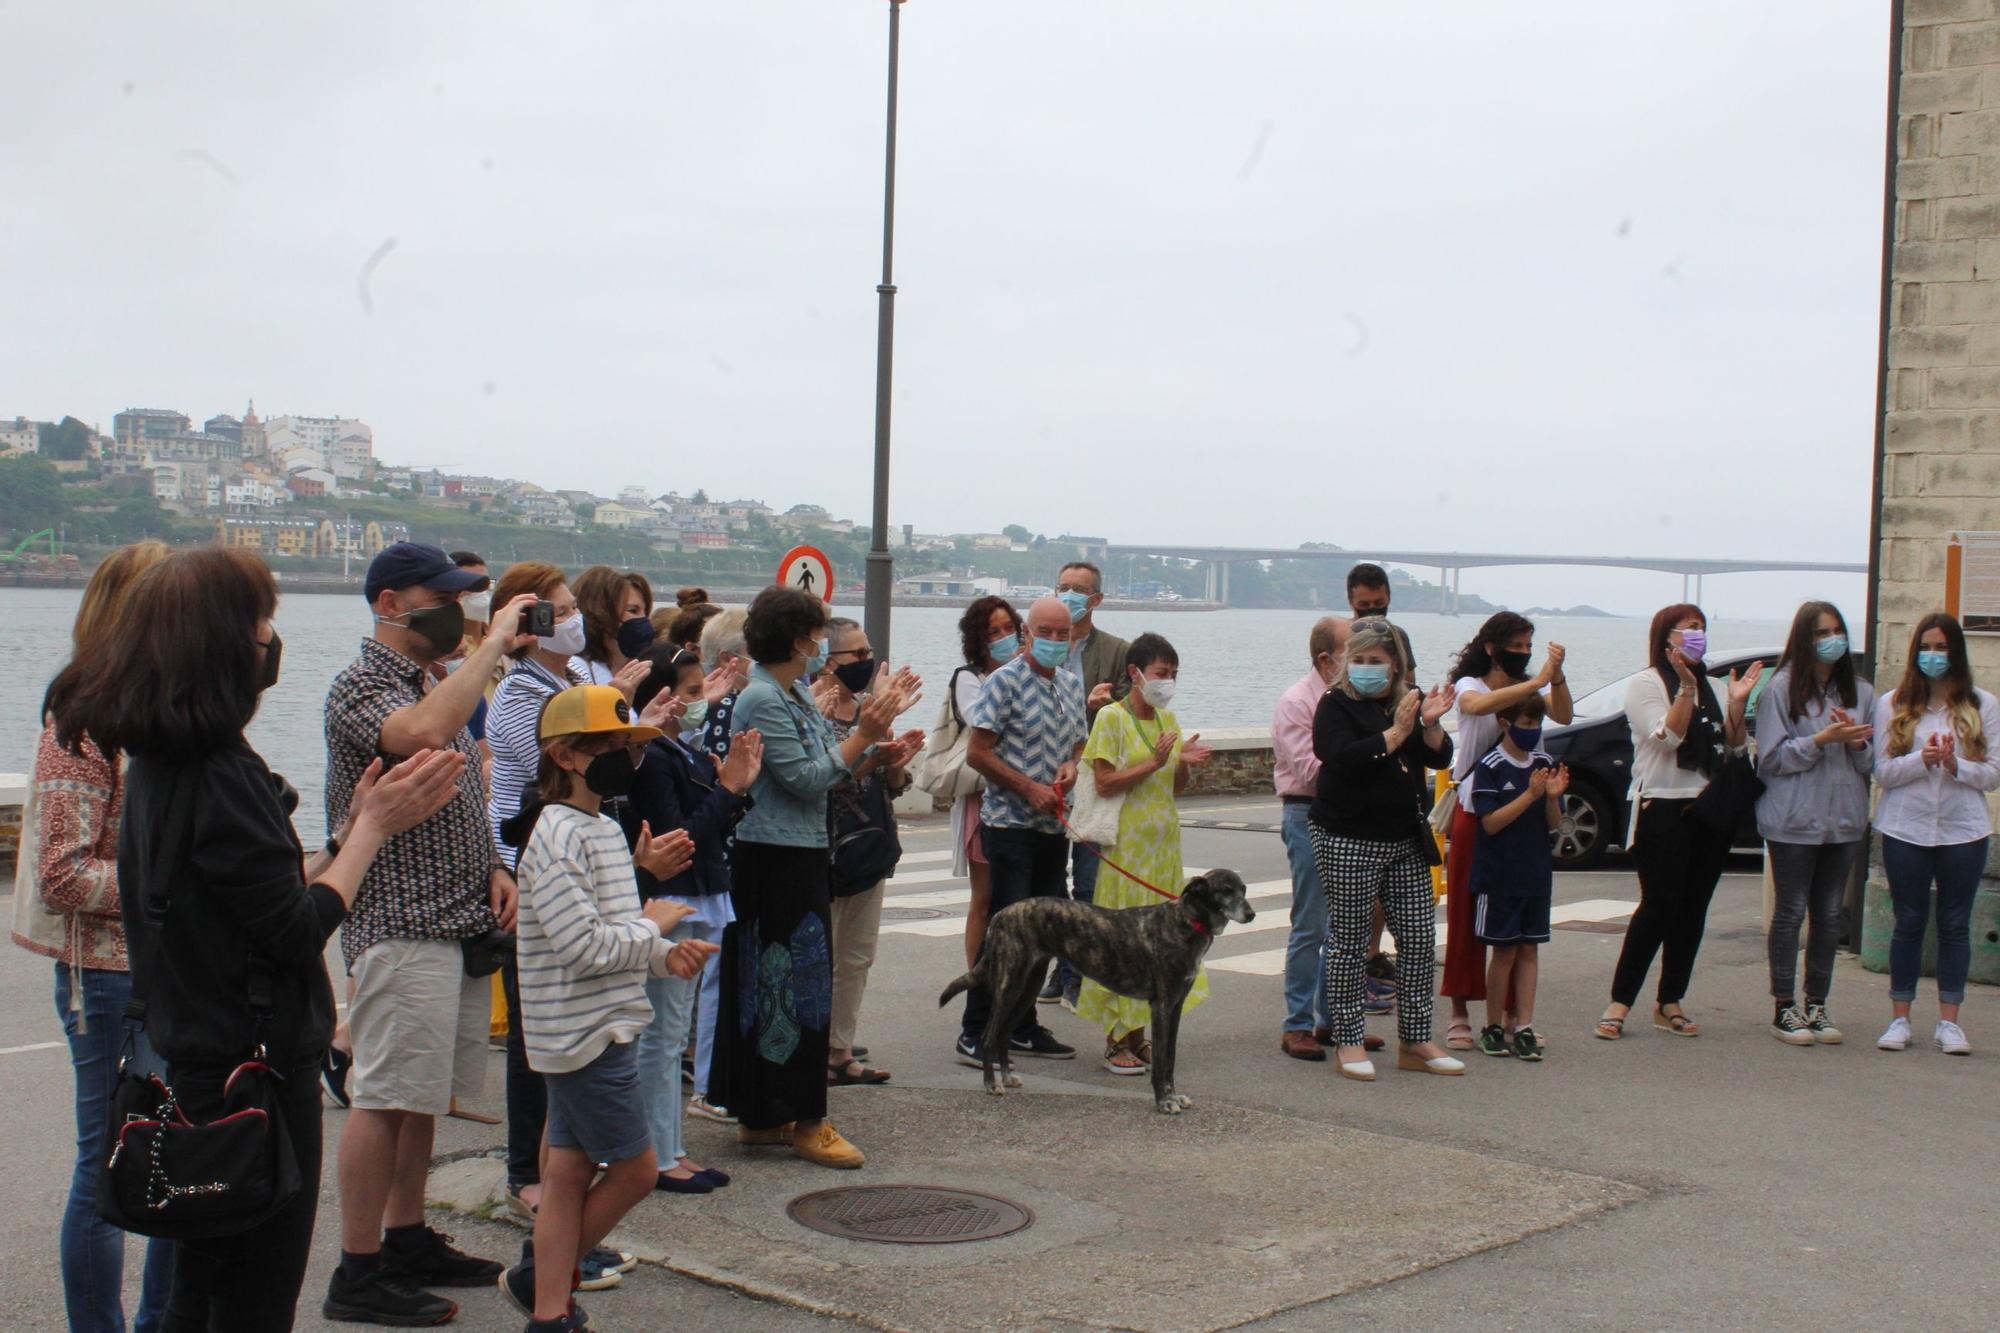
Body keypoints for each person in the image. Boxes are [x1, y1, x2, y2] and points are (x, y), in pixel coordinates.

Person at [51, 546, 466, 1331]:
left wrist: (344, 831)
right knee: (252, 1296)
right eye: (260, 625)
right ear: (220, 648)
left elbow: (239, 894)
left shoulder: (160, 760)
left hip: (193, 1056)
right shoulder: (223, 773)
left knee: (194, 1294)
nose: (270, 642)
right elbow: (290, 928)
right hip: (256, 1074)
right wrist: (373, 832)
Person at [322, 542, 538, 1325]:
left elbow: (461, 783)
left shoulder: (427, 679)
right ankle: (357, 1267)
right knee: (382, 1096)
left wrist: (494, 867)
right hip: (399, 916)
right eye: (437, 596)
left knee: (419, 1099)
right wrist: (489, 648)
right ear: (388, 603)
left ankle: (404, 1234)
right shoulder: (364, 685)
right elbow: (418, 736)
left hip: (450, 915)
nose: (456, 610)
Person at [500, 684, 715, 1333]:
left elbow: (612, 927)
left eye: (629, 744)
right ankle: (546, 1274)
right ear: (566, 754)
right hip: (589, 1030)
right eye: (612, 744)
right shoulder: (559, 832)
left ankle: (549, 1308)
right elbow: (584, 942)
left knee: (567, 1169)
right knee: (635, 1169)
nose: (625, 755)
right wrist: (651, 933)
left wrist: (661, 955)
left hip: (593, 1025)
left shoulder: (595, 826)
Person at [12, 540, 173, 1333]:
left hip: (170, 969)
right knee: (105, 1168)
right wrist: (174, 889)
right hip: (106, 976)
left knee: (175, 1161)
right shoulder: (82, 714)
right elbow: (63, 873)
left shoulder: (176, 706)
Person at [711, 587, 908, 1168]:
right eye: (818, 636)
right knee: (793, 987)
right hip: (774, 856)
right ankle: (803, 1119)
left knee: (788, 987)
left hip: (797, 850)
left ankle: (768, 1113)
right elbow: (803, 777)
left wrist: (875, 754)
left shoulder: (791, 693)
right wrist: (865, 734)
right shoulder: (765, 699)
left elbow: (831, 768)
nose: (823, 646)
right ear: (799, 641)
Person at [627, 647, 762, 1192]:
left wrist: (727, 784)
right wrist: (728, 788)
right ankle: (656, 1156)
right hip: (676, 896)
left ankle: (669, 1148)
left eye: (698, 692)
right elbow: (681, 833)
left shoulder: (674, 749)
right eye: (687, 693)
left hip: (696, 892)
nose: (698, 703)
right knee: (660, 1036)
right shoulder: (655, 756)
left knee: (669, 1030)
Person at [478, 562, 585, 1226]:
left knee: (560, 1024)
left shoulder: (568, 681)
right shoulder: (522, 693)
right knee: (531, 1030)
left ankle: (558, 1155)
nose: (573, 618)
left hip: (561, 864)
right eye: (559, 609)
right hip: (527, 868)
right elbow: (554, 766)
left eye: (573, 606)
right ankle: (525, 1169)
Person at [1597, 604, 1759, 1042]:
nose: (1698, 635)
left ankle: (1670, 1000)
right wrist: (1685, 690)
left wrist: (1738, 705)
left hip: (1709, 806)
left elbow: (1735, 749)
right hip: (1662, 804)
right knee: (1659, 904)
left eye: (1702, 628)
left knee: (1693, 908)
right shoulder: (1646, 685)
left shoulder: (1717, 687)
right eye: (1689, 629)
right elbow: (1666, 739)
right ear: (1666, 638)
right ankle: (1621, 1000)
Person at [1308, 617, 1460, 1082]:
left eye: (1376, 661)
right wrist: (1394, 735)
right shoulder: (1335, 705)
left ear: (1395, 666)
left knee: (1417, 940)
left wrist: (1428, 725)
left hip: (1404, 840)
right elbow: (1338, 757)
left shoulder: (1404, 703)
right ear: (1344, 664)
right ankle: (1348, 1040)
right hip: (1348, 837)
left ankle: (1416, 1039)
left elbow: (1437, 757)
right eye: (1359, 660)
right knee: (1349, 943)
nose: (1366, 669)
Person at [956, 597, 1087, 1067]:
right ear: (1027, 633)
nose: (1054, 641)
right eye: (1045, 632)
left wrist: (1071, 768)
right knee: (1008, 930)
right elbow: (977, 752)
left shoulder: (1071, 685)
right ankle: (975, 1030)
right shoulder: (1002, 682)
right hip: (1010, 825)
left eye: (1062, 634)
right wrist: (1027, 787)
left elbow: (1077, 743)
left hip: (1052, 825)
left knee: (1044, 932)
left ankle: (1022, 1025)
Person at [1076, 633, 1215, 1073]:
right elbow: (1104, 782)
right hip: (1128, 845)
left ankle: (1143, 1034)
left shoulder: (1166, 719)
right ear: (1135, 674)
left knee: (1161, 942)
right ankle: (1119, 1037)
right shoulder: (1112, 720)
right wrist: (1153, 764)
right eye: (1161, 673)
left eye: (1173, 674)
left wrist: (1181, 765)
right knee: (1125, 941)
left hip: (1163, 844)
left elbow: (1172, 787)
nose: (1168, 681)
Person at [1440, 613, 1571, 1049]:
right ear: (1493, 647)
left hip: (1525, 812)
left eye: (1529, 646)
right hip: (1476, 812)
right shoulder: (1470, 685)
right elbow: (1476, 708)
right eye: (1516, 645)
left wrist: (1557, 677)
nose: (1524, 653)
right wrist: (1537, 683)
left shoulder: (1531, 690)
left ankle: (1513, 1014)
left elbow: (1566, 715)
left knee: (1516, 926)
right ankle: (1459, 1010)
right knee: (1465, 911)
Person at [1871, 613, 2000, 1055]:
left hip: (1963, 832)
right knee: (1908, 921)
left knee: (1954, 924)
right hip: (1905, 827)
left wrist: (1954, 765)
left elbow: (1993, 775)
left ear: (1956, 653)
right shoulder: (1894, 703)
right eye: (1926, 647)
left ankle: (1949, 1022)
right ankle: (1899, 1018)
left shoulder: (1983, 705)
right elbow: (1882, 771)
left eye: (1942, 647)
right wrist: (1920, 760)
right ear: (1914, 653)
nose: (1933, 656)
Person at [1756, 601, 1875, 1047]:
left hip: (1843, 818)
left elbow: (1872, 760)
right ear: (1805, 640)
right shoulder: (1781, 689)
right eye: (1822, 633)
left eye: (1837, 631)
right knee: (1791, 912)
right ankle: (1783, 1005)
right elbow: (1771, 758)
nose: (1832, 641)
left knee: (1828, 915)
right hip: (1793, 820)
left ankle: (1818, 1003)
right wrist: (1821, 739)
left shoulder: (1860, 692)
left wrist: (1855, 742)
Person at [819, 619, 925, 1085]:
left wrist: (896, 764)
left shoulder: (871, 710)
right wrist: (869, 755)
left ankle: (840, 1049)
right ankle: (814, 1046)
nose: (865, 662)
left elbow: (890, 785)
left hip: (870, 847)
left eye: (868, 653)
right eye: (855, 655)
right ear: (827, 660)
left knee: (857, 956)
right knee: (819, 955)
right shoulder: (812, 709)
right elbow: (820, 777)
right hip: (825, 848)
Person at [1271, 615, 1359, 1061]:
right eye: (1351, 650)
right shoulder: (1296, 702)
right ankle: (1298, 1024)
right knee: (1310, 922)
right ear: (1326, 659)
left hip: (1350, 814)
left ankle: (1336, 1020)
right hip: (1307, 812)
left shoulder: (1354, 700)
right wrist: (1367, 768)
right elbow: (1311, 770)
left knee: (1345, 926)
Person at [1046, 561, 1130, 1007]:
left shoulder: (1117, 650)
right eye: (1063, 588)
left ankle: (1080, 977)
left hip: (1094, 785)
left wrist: (1105, 702)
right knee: (1050, 885)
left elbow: (1131, 709)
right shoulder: (1041, 646)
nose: (1069, 596)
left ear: (1096, 600)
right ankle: (1063, 968)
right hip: (1048, 781)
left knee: (1089, 885)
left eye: (1079, 590)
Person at [1468, 694, 1565, 1061]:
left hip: (1535, 873)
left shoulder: (1543, 763)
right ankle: (1493, 1025)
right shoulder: (1490, 765)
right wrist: (1529, 795)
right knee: (1503, 950)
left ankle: (1523, 1025)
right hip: (1500, 876)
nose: (1531, 732)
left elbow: (1554, 824)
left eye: (1536, 725)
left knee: (1529, 949)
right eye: (1524, 724)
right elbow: (1490, 823)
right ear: (1506, 724)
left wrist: (1552, 798)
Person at [686, 607, 753, 1124]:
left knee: (713, 977)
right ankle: (712, 1085)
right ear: (733, 660)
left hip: (715, 853)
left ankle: (713, 1080)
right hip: (723, 854)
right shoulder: (728, 708)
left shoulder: (707, 709)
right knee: (715, 976)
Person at [1345, 563, 1416, 1005]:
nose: (1374, 611)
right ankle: (1358, 967)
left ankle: (1374, 956)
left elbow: (1407, 689)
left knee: (1388, 887)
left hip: (1396, 771)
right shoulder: (1344, 638)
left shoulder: (1400, 639)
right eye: (1364, 606)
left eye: (1380, 603)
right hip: (1358, 775)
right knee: (1356, 892)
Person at [952, 596, 1023, 967]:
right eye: (993, 631)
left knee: (1016, 896)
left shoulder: (1029, 672)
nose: (1003, 637)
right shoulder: (970, 678)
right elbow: (983, 720)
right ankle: (977, 975)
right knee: (984, 896)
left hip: (1022, 798)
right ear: (979, 638)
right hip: (984, 795)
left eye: (1009, 628)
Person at [571, 565, 654, 693]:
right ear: (600, 615)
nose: (644, 621)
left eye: (645, 612)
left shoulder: (637, 679)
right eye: (633, 610)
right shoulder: (577, 672)